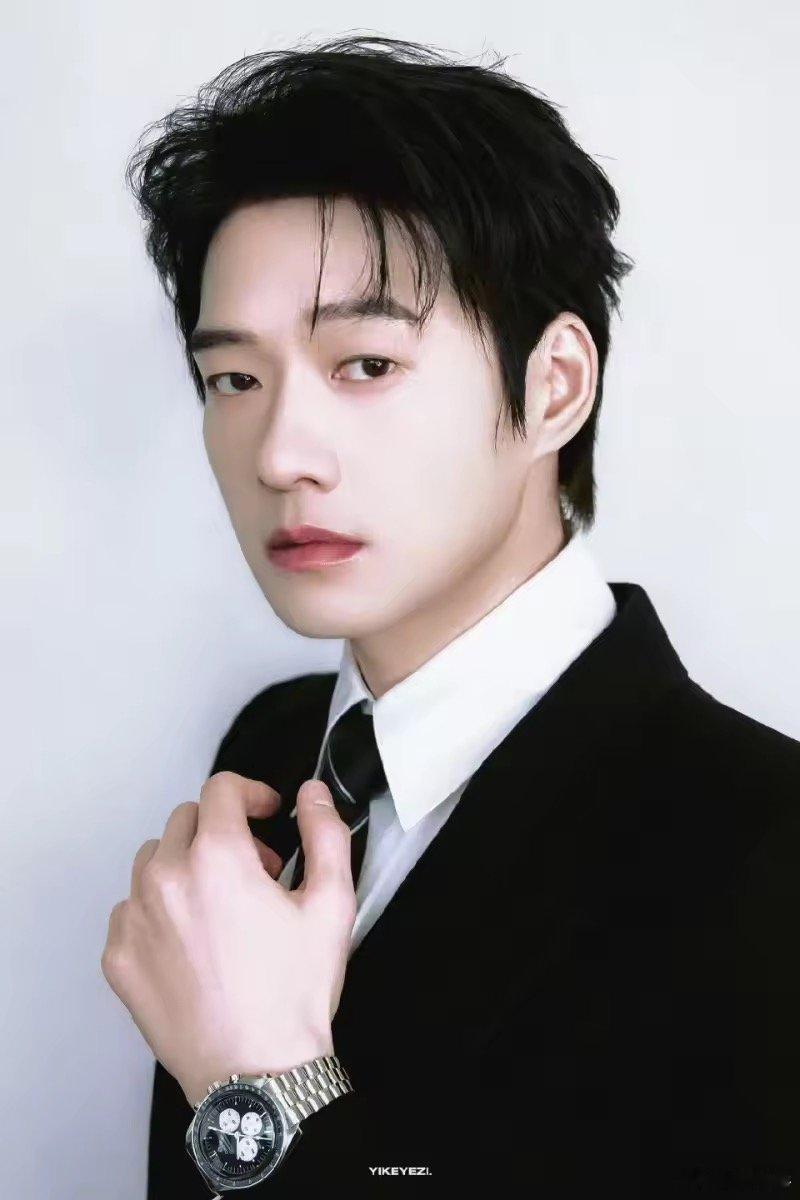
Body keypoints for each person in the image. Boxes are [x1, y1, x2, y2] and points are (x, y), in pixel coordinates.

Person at [116, 34, 799, 1196]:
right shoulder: (274, 752)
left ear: (553, 385)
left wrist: (260, 1087)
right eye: (234, 378)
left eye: (365, 365)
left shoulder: (764, 854)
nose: (278, 453)